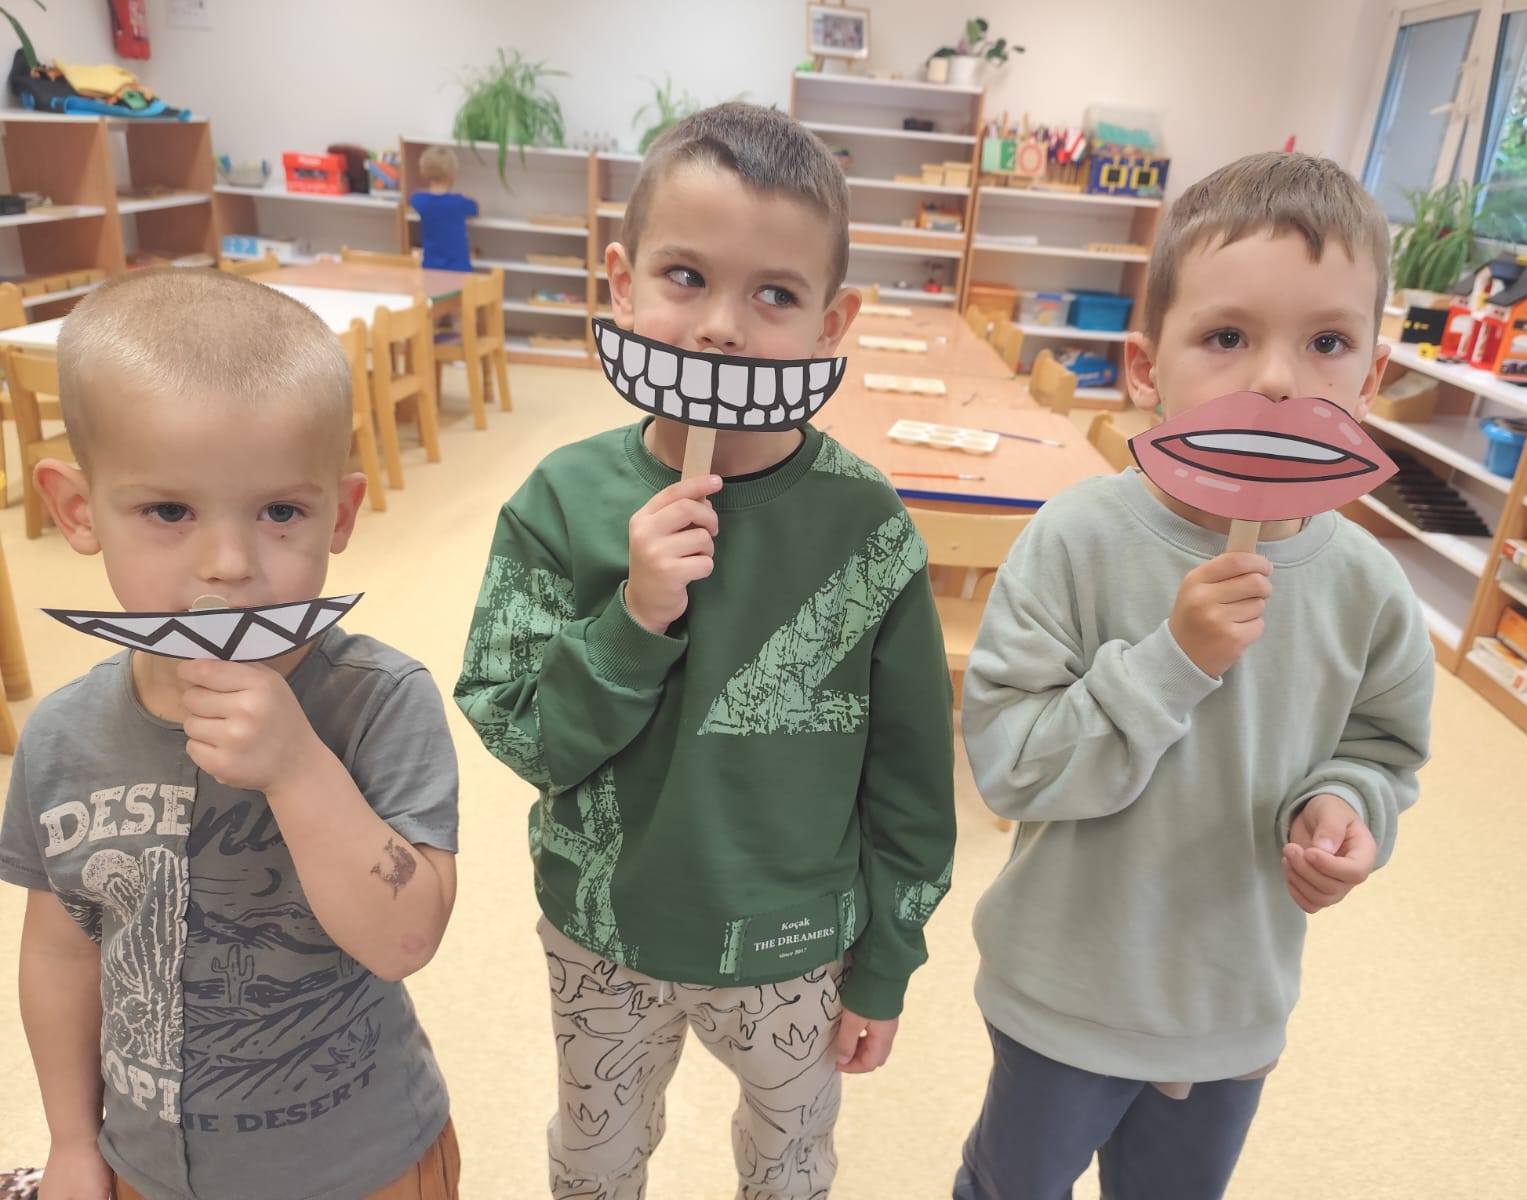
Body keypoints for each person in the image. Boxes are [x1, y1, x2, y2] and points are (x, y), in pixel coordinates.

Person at [455, 103, 957, 1199]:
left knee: (789, 1164)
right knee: (594, 1160)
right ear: (622, 283)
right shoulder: (560, 501)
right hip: (604, 931)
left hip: (792, 945)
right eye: (686, 276)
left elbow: (914, 773)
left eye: (774, 294)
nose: (722, 327)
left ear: (832, 322)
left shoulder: (867, 526)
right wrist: (631, 619)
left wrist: (886, 961)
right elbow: (520, 732)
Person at [953, 151, 1435, 1200]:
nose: (1277, 380)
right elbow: (1010, 768)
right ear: (1146, 366)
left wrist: (1345, 808)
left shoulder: (1369, 588)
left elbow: (1381, 752)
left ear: (1371, 376)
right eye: (1226, 337)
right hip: (1063, 991)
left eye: (1326, 342)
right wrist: (1172, 664)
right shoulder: (1075, 539)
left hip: (1231, 1002)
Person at [2, 270, 462, 1200]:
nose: (228, 565)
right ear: (78, 511)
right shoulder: (61, 736)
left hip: (368, 1165)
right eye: (168, 511)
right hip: (143, 1165)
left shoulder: (380, 701)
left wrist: (298, 769)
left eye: (280, 512)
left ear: (338, 513)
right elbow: (60, 952)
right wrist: (73, 1141)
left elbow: (407, 937)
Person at [410, 145, 477, 272]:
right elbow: (475, 208)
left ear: (424, 171)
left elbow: (413, 199)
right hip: (458, 270)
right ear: (452, 173)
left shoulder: (420, 200)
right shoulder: (459, 202)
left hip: (431, 269)